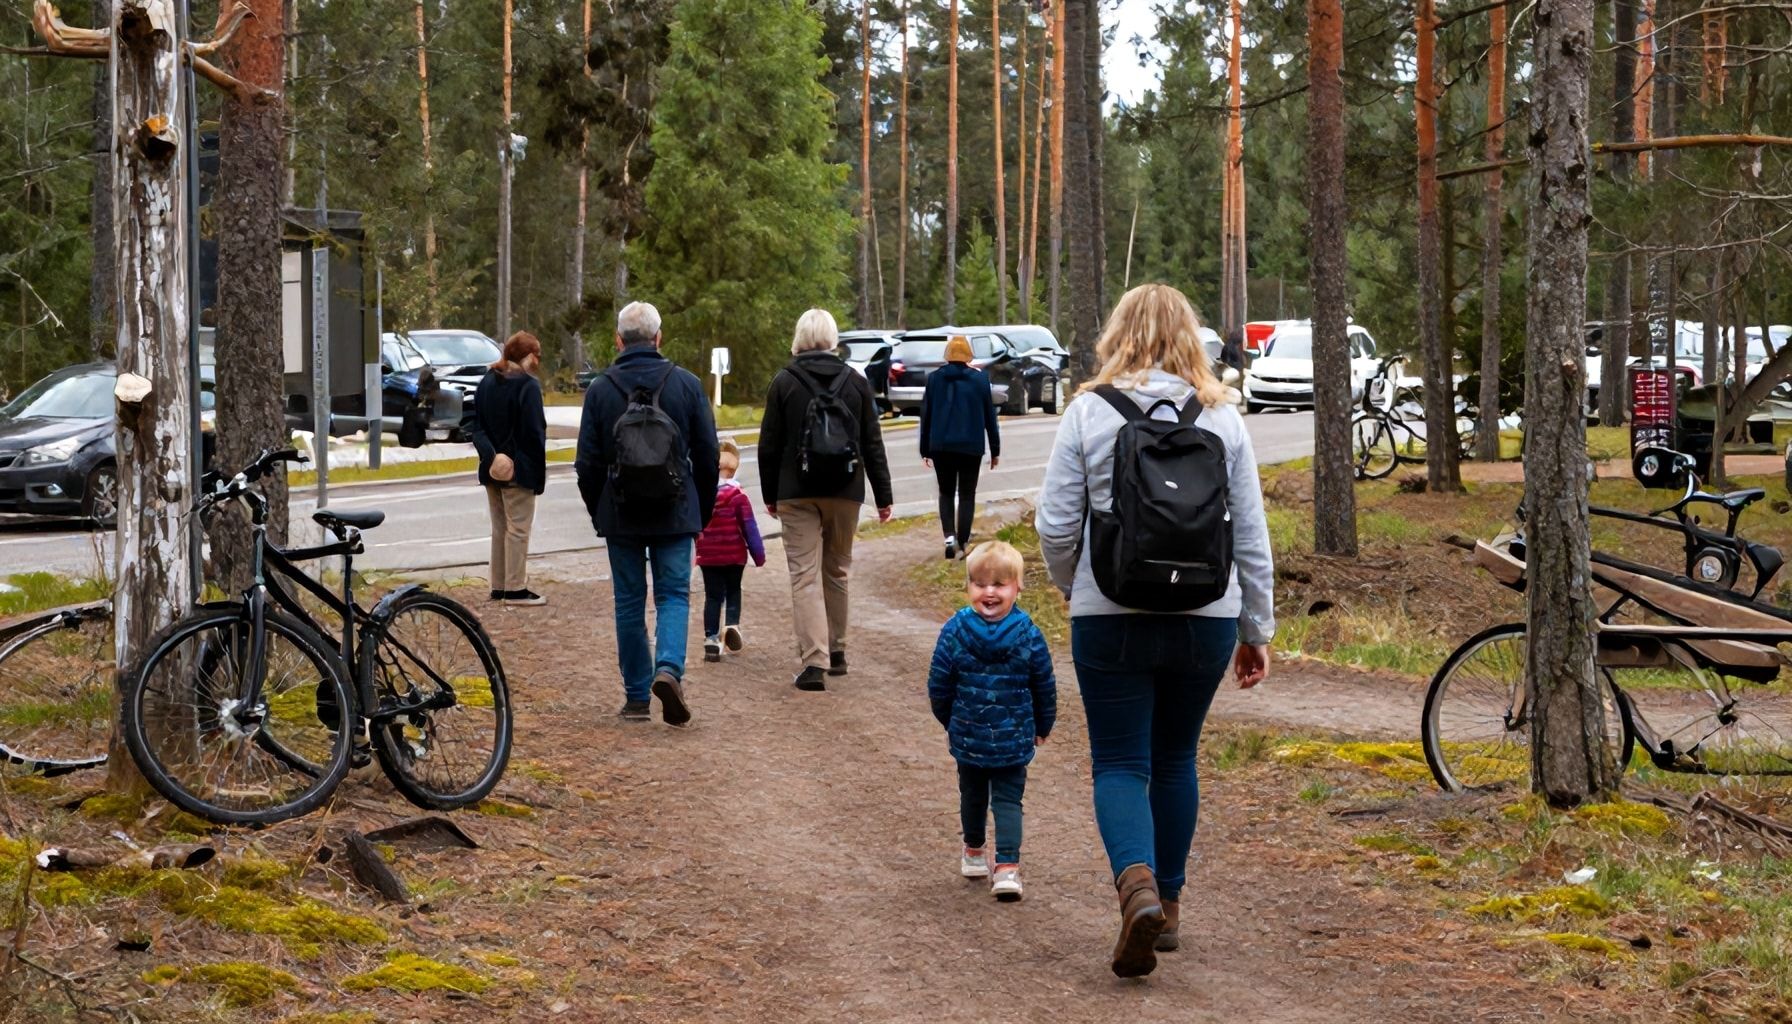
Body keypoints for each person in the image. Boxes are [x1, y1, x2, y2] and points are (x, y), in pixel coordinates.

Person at [1035, 283, 1274, 978]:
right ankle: (1166, 906)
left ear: (1118, 334)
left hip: (1110, 614)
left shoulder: (1088, 411)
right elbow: (1251, 538)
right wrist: (1255, 626)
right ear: (1189, 338)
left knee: (1118, 762)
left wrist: (1074, 586)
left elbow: (1055, 526)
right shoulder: (1224, 419)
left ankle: (1132, 885)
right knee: (1175, 759)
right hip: (1206, 617)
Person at [575, 301, 720, 726]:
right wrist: (702, 511)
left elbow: (587, 464)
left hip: (620, 514)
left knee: (629, 601)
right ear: (659, 339)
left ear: (619, 340)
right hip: (675, 511)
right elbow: (709, 456)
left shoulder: (601, 390)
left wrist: (599, 511)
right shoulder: (686, 385)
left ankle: (637, 696)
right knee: (673, 594)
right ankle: (669, 669)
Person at [758, 308, 894, 692]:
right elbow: (872, 443)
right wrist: (883, 497)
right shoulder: (855, 382)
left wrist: (771, 495)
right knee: (837, 571)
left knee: (804, 575)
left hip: (796, 492)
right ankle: (837, 651)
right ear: (834, 338)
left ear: (799, 338)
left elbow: (768, 446)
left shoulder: (784, 382)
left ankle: (814, 662)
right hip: (846, 489)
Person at [927, 540, 1055, 903]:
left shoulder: (954, 629)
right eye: (981, 584)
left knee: (973, 794)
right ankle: (1007, 869)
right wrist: (1042, 726)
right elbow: (1043, 685)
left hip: (969, 733)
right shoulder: (1029, 632)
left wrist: (951, 720)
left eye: (998, 584)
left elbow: (939, 686)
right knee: (1007, 801)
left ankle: (974, 851)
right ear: (968, 587)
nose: (989, 591)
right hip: (1012, 738)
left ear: (1017, 586)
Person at [462, 331, 548, 606]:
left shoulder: (487, 381)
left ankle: (498, 585)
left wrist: (491, 457)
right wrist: (533, 473)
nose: (537, 361)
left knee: (499, 527)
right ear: (527, 356)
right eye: (536, 355)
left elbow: (476, 426)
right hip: (520, 467)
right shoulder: (528, 386)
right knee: (519, 528)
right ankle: (515, 588)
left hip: (491, 469)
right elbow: (534, 433)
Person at [918, 335, 1001, 560]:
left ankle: (948, 538)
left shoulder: (934, 379)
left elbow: (926, 414)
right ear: (968, 356)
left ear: (947, 356)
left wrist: (924, 448)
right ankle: (963, 542)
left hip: (941, 446)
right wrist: (995, 449)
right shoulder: (980, 380)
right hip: (970, 446)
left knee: (945, 492)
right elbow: (989, 417)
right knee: (966, 494)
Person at [696, 438, 766, 662]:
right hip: (734, 555)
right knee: (733, 590)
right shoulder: (738, 496)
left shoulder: (703, 496)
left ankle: (710, 639)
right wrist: (759, 554)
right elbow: (750, 527)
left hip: (708, 556)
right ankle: (732, 624)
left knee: (713, 596)